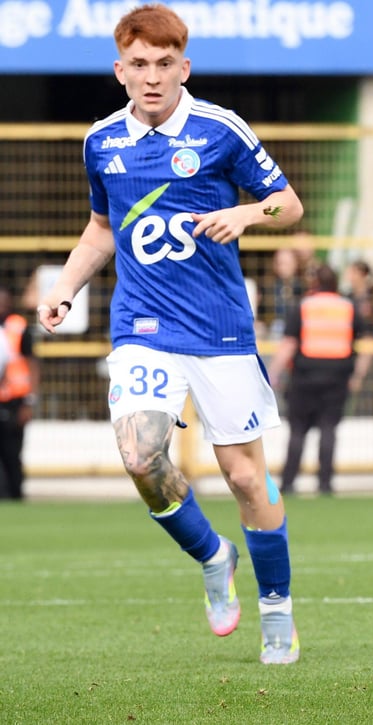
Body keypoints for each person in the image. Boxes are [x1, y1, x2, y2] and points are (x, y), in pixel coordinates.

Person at [37, 4, 304, 664]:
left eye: (164, 64)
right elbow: (102, 228)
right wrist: (67, 286)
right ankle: (213, 556)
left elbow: (289, 204)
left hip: (220, 330)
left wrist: (248, 214)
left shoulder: (220, 129)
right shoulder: (102, 141)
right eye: (139, 64)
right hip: (142, 326)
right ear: (119, 70)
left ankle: (276, 607)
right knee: (139, 456)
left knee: (247, 479)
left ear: (185, 67)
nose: (152, 77)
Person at [267, 264, 372, 496]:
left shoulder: (303, 306)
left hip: (304, 378)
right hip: (337, 378)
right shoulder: (348, 307)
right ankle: (325, 484)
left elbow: (289, 345)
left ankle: (288, 483)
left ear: (314, 283)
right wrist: (357, 376)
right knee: (328, 429)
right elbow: (367, 346)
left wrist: (272, 374)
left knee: (297, 430)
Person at [0, 289, 37, 501]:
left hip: (15, 400)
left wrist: (29, 401)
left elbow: (32, 364)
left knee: (12, 451)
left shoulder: (19, 327)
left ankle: (15, 493)